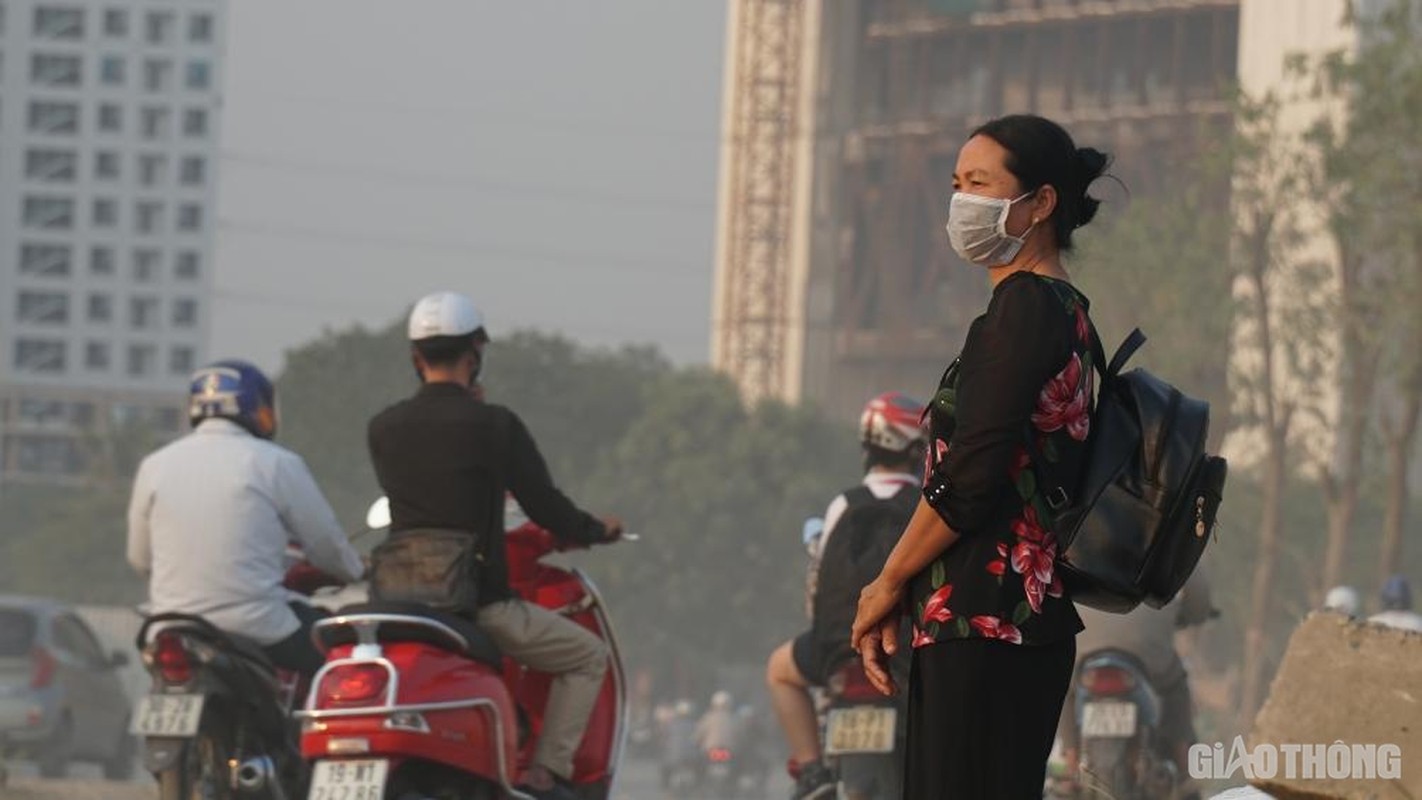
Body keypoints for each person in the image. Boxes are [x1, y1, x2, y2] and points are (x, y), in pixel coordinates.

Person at [852, 113, 1111, 798]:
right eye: (957, 184)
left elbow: (968, 481)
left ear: (1041, 203)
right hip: (1011, 621)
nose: (962, 202)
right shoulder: (1066, 312)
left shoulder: (1023, 309)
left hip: (985, 622)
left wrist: (885, 582)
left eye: (980, 183)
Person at [367, 291, 622, 800]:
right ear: (475, 354)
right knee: (588, 657)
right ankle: (545, 771)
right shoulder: (495, 425)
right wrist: (595, 529)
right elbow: (545, 506)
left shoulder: (383, 428)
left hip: (398, 606)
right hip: (476, 604)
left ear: (416, 359)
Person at [127, 360, 365, 678]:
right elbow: (324, 545)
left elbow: (140, 559)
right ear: (259, 407)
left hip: (169, 626)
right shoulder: (277, 463)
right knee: (339, 665)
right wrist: (356, 571)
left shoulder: (154, 465)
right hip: (257, 625)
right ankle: (303, 728)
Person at [766, 392, 925, 800]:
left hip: (838, 649)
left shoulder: (843, 504)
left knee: (778, 671)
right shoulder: (925, 507)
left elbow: (817, 584)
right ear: (917, 447)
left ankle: (812, 771)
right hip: (906, 655)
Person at [1056, 567, 1214, 798]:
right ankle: (1184, 771)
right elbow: (1196, 587)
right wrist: (1192, 614)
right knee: (1175, 686)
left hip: (1085, 632)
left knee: (1068, 690)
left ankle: (1071, 766)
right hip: (1146, 639)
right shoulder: (1172, 529)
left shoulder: (1082, 530)